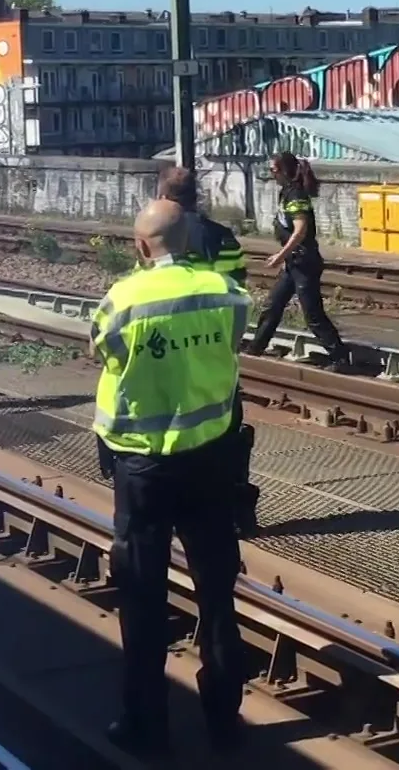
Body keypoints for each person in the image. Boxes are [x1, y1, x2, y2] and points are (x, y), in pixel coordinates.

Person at [90, 200, 249, 757]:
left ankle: (145, 723)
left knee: (142, 595)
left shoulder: (122, 301)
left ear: (140, 246)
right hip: (209, 460)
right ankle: (224, 719)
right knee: (217, 593)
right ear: (191, 239)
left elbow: (105, 353)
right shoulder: (225, 293)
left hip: (144, 468)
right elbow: (231, 349)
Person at [156, 165, 260, 539]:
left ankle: (182, 513)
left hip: (171, 353)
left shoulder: (159, 240)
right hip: (217, 352)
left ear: (165, 198)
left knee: (177, 433)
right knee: (227, 431)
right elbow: (238, 293)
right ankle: (237, 513)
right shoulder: (223, 238)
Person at [246, 152, 347, 365]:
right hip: (294, 263)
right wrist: (285, 259)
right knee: (272, 306)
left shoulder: (296, 196)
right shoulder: (287, 192)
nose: (271, 174)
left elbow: (300, 230)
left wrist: (279, 256)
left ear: (283, 171)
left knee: (313, 315)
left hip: (305, 263)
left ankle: (340, 358)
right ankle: (255, 349)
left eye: (273, 170)